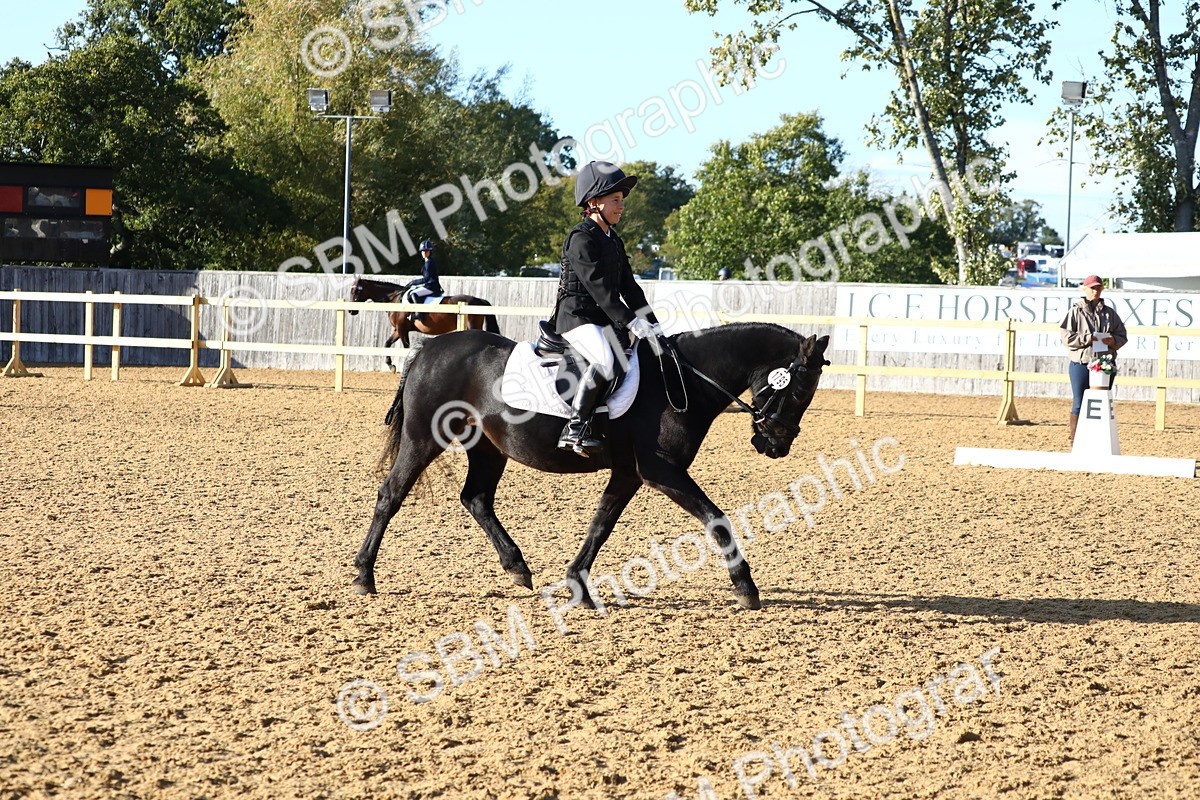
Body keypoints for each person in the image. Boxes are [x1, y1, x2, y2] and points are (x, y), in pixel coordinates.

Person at [548, 161, 665, 456]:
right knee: (605, 359)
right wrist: (631, 321)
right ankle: (575, 428)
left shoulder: (614, 241)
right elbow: (599, 289)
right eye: (615, 200)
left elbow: (630, 288)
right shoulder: (581, 238)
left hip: (603, 319)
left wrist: (653, 324)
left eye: (622, 200)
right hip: (577, 317)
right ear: (593, 202)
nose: (621, 206)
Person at [1060, 275, 1127, 444]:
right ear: (1085, 289)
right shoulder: (1076, 311)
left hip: (1104, 364)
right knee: (1079, 402)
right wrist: (1088, 338)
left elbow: (1122, 336)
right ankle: (1075, 440)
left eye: (1098, 288)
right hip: (1081, 362)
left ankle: (1099, 439)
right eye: (1092, 288)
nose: (1096, 291)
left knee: (1102, 402)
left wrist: (1113, 341)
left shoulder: (1110, 313)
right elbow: (1066, 338)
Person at [404, 240, 442, 324]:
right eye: (422, 251)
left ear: (430, 252)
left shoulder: (429, 263)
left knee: (413, 294)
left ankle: (419, 314)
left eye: (426, 251)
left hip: (431, 287)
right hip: (431, 285)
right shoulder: (429, 261)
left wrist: (413, 282)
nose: (424, 253)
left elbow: (426, 279)